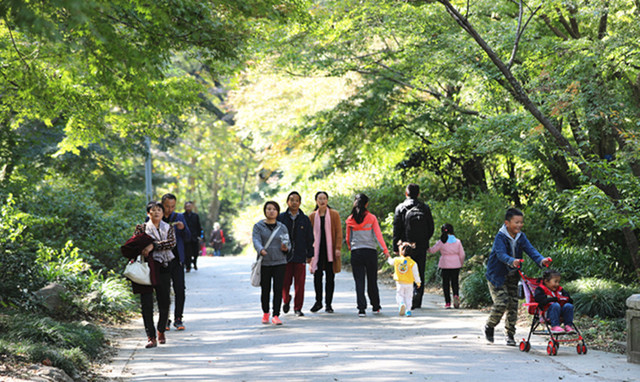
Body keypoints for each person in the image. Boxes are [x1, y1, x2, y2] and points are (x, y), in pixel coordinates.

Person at [484, 208, 551, 346]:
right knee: (502, 302)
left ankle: (510, 334)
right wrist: (511, 260)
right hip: (497, 275)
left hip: (513, 276)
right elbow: (500, 254)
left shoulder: (521, 236)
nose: (519, 225)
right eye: (516, 222)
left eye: (521, 222)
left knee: (513, 305)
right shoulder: (500, 237)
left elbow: (530, 250)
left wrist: (541, 260)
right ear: (507, 223)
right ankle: (489, 325)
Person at [121, 201, 175, 348]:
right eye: (153, 210)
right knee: (146, 303)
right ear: (148, 213)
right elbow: (134, 244)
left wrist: (153, 245)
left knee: (164, 301)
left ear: (163, 214)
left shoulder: (169, 228)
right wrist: (144, 246)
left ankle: (161, 330)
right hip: (146, 268)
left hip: (163, 267)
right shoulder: (142, 228)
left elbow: (171, 243)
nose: (156, 212)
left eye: (159, 210)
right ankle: (150, 336)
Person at [346, 193, 389, 317]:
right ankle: (375, 306)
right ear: (366, 204)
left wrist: (351, 248)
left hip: (356, 252)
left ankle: (361, 309)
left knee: (359, 281)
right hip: (370, 252)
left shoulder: (350, 219)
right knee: (372, 280)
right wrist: (385, 251)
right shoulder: (371, 218)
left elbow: (348, 238)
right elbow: (378, 236)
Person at [392, 183, 434, 310]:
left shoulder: (400, 208)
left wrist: (396, 246)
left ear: (406, 193)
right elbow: (431, 227)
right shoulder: (424, 208)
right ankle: (417, 299)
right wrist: (424, 241)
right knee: (419, 271)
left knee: (405, 271)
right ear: (419, 194)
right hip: (420, 246)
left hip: (405, 247)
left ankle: (407, 299)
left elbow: (396, 228)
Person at [252, 201, 291, 325]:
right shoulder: (258, 226)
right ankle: (265, 313)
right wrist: (261, 249)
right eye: (268, 209)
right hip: (265, 262)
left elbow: (287, 241)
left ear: (277, 212)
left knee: (278, 289)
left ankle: (276, 315)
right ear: (265, 211)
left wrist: (286, 247)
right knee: (265, 289)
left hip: (280, 262)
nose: (271, 211)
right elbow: (256, 240)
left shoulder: (282, 227)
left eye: (274, 209)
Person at [277, 192, 314, 316]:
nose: (294, 202)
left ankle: (298, 308)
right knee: (284, 283)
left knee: (300, 284)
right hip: (284, 257)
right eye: (291, 200)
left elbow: (310, 238)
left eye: (296, 200)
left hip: (300, 255)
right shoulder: (281, 218)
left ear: (300, 203)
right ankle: (286, 300)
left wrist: (310, 254)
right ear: (287, 202)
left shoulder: (304, 219)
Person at [161, 193, 191, 331]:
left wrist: (182, 229)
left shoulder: (179, 217)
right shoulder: (156, 215)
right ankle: (165, 319)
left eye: (172, 206)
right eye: (167, 206)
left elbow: (188, 237)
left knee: (180, 289)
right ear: (162, 204)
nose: (170, 209)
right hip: (161, 259)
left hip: (177, 259)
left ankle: (178, 318)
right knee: (164, 291)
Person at [309, 191, 343, 314]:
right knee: (317, 277)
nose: (322, 201)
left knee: (330, 277)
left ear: (327, 200)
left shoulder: (334, 214)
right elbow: (309, 235)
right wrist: (309, 252)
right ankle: (318, 302)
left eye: (324, 198)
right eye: (320, 198)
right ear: (316, 201)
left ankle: (328, 304)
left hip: (330, 250)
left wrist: (338, 248)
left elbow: (339, 233)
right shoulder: (312, 216)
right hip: (317, 251)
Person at [428, 224, 466, 309]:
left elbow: (432, 250)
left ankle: (447, 303)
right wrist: (461, 263)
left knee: (445, 284)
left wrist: (426, 247)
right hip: (456, 264)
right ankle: (456, 296)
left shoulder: (442, 241)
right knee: (455, 282)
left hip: (445, 264)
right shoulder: (458, 241)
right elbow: (462, 254)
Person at [534, 269, 575, 334]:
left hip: (561, 313)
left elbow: (568, 298)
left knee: (569, 306)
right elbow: (539, 301)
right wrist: (553, 299)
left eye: (558, 282)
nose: (557, 284)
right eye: (555, 282)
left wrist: (567, 299)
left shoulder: (560, 290)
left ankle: (568, 325)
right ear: (546, 281)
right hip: (548, 314)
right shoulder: (540, 290)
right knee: (555, 305)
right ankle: (555, 326)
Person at [387, 241, 421, 317]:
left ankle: (401, 304)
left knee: (399, 295)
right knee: (409, 296)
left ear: (401, 251)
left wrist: (388, 256)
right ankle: (408, 310)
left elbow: (390, 262)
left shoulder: (397, 260)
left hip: (399, 282)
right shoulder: (413, 263)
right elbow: (416, 274)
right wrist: (418, 282)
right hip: (409, 283)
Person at [183, 201, 203, 272]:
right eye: (187, 206)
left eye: (190, 206)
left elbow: (198, 226)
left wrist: (199, 236)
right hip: (186, 237)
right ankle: (188, 266)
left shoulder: (195, 216)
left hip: (194, 236)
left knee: (195, 252)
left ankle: (194, 263)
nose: (188, 207)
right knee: (187, 253)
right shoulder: (182, 216)